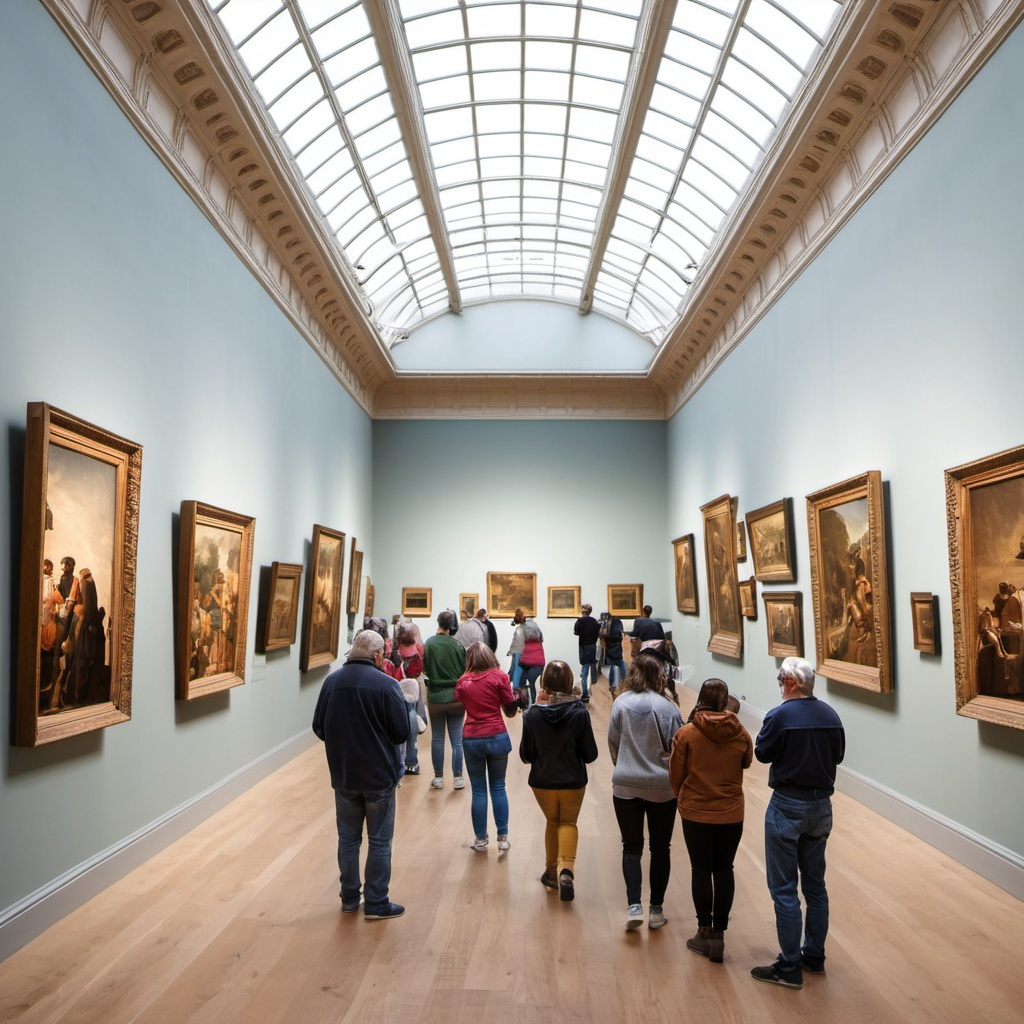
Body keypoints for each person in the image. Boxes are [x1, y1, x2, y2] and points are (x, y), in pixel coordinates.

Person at [751, 656, 845, 989]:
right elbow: (838, 756)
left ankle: (789, 966)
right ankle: (814, 957)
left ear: (791, 682)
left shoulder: (779, 715)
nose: (779, 687)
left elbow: (762, 754)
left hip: (787, 805)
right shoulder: (831, 715)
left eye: (781, 681)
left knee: (784, 889)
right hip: (821, 806)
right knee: (816, 887)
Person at [312, 630, 410, 920]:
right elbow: (401, 732)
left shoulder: (331, 683)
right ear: (378, 655)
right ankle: (377, 903)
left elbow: (319, 728)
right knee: (379, 840)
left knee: (348, 839)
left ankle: (350, 898)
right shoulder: (387, 685)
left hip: (343, 774)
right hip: (379, 775)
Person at [670, 678, 752, 964]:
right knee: (724, 868)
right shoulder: (740, 733)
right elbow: (747, 762)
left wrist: (684, 797)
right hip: (731, 812)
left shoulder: (687, 734)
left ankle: (703, 931)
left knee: (701, 869)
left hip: (696, 812)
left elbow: (676, 777)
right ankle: (719, 935)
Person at [608, 654, 683, 931]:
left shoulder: (621, 703)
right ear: (659, 676)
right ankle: (656, 910)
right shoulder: (669, 707)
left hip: (626, 783)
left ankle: (633, 906)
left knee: (631, 847)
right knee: (660, 848)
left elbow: (614, 743)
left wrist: (626, 765)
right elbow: (679, 748)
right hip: (662, 787)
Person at [519, 660, 598, 902]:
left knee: (552, 821)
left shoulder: (532, 715)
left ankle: (551, 872)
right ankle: (567, 870)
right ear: (568, 683)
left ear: (543, 683)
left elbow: (525, 756)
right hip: (573, 780)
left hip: (542, 781)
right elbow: (590, 754)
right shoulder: (579, 714)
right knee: (568, 822)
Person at [455, 642, 521, 852]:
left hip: (472, 738)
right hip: (496, 735)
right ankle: (502, 837)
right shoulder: (499, 677)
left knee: (479, 790)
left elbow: (460, 700)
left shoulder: (462, 682)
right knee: (498, 786)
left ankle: (480, 839)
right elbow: (509, 706)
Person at [423, 609, 467, 790]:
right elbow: (464, 670)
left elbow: (425, 668)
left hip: (435, 697)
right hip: (456, 697)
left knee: (438, 739)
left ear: (438, 623)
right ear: (452, 626)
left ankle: (439, 778)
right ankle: (458, 778)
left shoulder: (429, 643)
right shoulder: (458, 646)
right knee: (457, 740)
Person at [393, 624, 425, 775]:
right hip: (411, 690)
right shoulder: (417, 651)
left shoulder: (393, 652)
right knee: (412, 718)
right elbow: (417, 672)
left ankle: (397, 763)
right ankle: (411, 762)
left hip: (395, 689)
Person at [573, 604, 600, 701]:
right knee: (593, 669)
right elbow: (598, 633)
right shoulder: (594, 621)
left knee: (584, 672)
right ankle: (595, 692)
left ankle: (585, 694)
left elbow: (576, 632)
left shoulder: (580, 621)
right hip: (592, 646)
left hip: (583, 647)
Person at [518, 619, 546, 706]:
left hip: (525, 663)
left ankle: (523, 705)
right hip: (538, 663)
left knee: (521, 683)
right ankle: (535, 704)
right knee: (534, 685)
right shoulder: (538, 633)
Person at [601, 612, 628, 694]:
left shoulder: (610, 623)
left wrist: (605, 637)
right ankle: (621, 682)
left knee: (615, 664)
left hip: (612, 645)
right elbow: (620, 635)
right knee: (617, 663)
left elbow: (606, 634)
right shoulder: (617, 622)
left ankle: (616, 683)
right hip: (615, 645)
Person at [505, 608, 527, 688]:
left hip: (518, 652)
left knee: (515, 673)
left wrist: (511, 650)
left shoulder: (520, 629)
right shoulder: (524, 628)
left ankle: (515, 692)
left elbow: (517, 642)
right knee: (516, 672)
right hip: (521, 651)